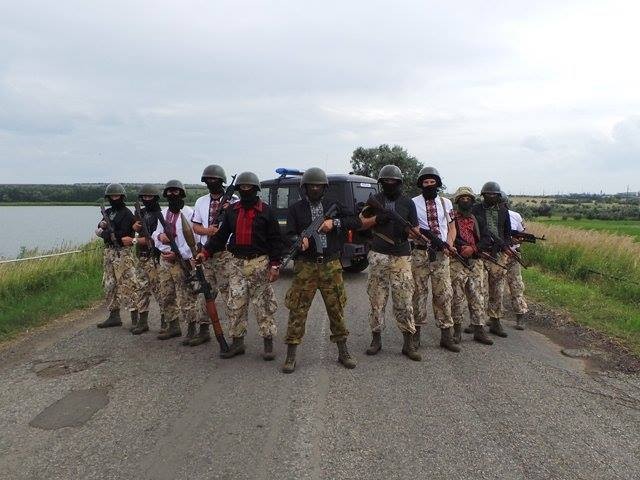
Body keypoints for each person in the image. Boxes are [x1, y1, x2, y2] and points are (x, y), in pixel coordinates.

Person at [198, 171, 284, 360]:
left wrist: (275, 265)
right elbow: (221, 236)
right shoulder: (232, 211)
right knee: (235, 304)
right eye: (242, 187)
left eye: (249, 187)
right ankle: (237, 342)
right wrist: (205, 252)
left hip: (259, 263)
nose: (245, 190)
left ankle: (268, 342)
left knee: (263, 305)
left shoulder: (266, 211)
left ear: (256, 189)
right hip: (236, 264)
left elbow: (276, 240)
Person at [281, 167, 360, 373]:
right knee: (297, 310)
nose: (315, 189)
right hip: (305, 266)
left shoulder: (334, 205)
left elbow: (356, 221)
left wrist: (334, 223)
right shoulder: (295, 209)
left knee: (336, 309)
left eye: (318, 186)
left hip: (331, 265)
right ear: (304, 188)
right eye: (311, 186)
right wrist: (298, 241)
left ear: (324, 188)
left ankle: (343, 351)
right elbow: (288, 234)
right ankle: (291, 354)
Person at [358, 164, 421, 361]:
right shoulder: (375, 200)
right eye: (386, 181)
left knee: (404, 300)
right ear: (381, 183)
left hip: (401, 256)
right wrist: (377, 218)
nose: (390, 183)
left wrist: (409, 231)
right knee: (376, 299)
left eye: (393, 181)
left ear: (399, 183)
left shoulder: (408, 202)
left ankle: (408, 343)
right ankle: (376, 339)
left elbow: (416, 229)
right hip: (378, 254)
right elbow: (361, 224)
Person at [151, 180, 209, 343]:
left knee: (186, 296)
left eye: (175, 191)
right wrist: (160, 238)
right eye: (169, 192)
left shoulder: (190, 214)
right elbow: (155, 234)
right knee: (166, 294)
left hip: (182, 262)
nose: (172, 195)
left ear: (182, 194)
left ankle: (191, 328)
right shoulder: (163, 214)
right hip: (165, 260)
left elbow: (194, 241)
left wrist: (178, 255)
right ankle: (173, 326)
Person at [410, 166, 459, 352]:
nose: (429, 185)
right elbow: (410, 228)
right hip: (420, 253)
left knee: (444, 293)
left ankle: (446, 335)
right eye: (426, 182)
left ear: (437, 183)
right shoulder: (412, 203)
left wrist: (449, 244)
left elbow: (452, 227)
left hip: (441, 254)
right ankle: (415, 335)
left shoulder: (446, 203)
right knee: (418, 293)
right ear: (421, 184)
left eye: (432, 182)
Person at [190, 164, 237, 345]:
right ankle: (203, 330)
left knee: (230, 295)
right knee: (205, 294)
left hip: (226, 254)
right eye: (208, 179)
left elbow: (238, 225)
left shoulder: (234, 201)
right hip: (206, 253)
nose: (211, 182)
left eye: (214, 179)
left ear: (221, 181)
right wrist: (208, 231)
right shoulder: (201, 201)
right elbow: (195, 226)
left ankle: (236, 335)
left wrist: (229, 210)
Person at [449, 187, 494, 345]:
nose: (465, 200)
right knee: (457, 297)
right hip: (457, 262)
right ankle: (456, 331)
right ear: (457, 201)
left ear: (473, 201)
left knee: (477, 296)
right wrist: (461, 248)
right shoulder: (451, 219)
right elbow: (448, 237)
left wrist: (473, 248)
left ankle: (479, 330)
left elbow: (487, 238)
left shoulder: (478, 219)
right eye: (462, 198)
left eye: (468, 198)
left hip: (475, 262)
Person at [95, 183, 139, 329]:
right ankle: (114, 316)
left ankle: (135, 318)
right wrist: (102, 227)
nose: (114, 198)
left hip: (123, 252)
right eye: (112, 196)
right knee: (109, 284)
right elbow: (100, 227)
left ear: (122, 196)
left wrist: (105, 233)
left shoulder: (127, 214)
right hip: (109, 252)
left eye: (117, 196)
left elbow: (124, 233)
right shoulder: (108, 212)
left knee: (128, 284)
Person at [472, 181, 512, 338]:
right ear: (483, 195)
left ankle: (495, 321)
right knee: (478, 289)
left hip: (498, 254)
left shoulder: (503, 211)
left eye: (494, 194)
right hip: (480, 253)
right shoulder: (475, 209)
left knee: (497, 289)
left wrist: (505, 245)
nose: (491, 196)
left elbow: (507, 233)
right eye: (488, 194)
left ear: (498, 195)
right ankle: (477, 323)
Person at [129, 184, 165, 335]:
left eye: (150, 197)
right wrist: (135, 228)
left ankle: (166, 322)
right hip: (141, 256)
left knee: (160, 291)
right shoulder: (140, 213)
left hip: (154, 257)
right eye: (144, 197)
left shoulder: (161, 215)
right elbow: (134, 231)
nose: (147, 199)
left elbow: (155, 239)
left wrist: (135, 240)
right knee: (141, 289)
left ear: (155, 198)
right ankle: (142, 321)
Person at [500, 192, 529, 330]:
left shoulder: (515, 216)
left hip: (513, 254)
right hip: (497, 255)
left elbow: (522, 234)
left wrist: (517, 240)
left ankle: (520, 315)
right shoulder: (490, 216)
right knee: (494, 286)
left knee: (516, 285)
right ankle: (494, 316)